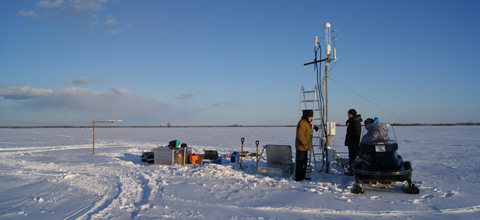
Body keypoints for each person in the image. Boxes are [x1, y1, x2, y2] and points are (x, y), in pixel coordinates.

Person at [295, 110, 318, 181]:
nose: (311, 118)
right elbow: (300, 135)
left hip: (305, 147)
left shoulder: (306, 123)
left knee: (304, 162)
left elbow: (309, 127)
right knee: (300, 162)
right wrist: (304, 142)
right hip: (301, 147)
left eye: (311, 117)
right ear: (306, 116)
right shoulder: (302, 123)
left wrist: (314, 127)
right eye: (310, 116)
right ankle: (298, 177)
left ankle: (303, 176)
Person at [344, 109, 362, 176]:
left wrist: (352, 142)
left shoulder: (355, 123)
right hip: (351, 143)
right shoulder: (352, 122)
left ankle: (353, 170)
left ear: (351, 114)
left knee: (353, 157)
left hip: (353, 144)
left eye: (348, 114)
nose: (348, 115)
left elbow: (356, 134)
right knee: (351, 157)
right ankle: (352, 169)